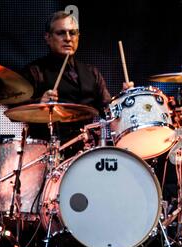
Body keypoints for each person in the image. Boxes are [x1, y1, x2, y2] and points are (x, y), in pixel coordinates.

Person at [20, 11, 133, 153]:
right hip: (46, 153)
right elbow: (15, 108)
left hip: (86, 152)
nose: (68, 38)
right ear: (48, 37)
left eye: (72, 33)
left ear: (78, 37)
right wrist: (39, 102)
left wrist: (123, 98)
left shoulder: (92, 73)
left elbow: (108, 110)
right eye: (61, 33)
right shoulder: (35, 72)